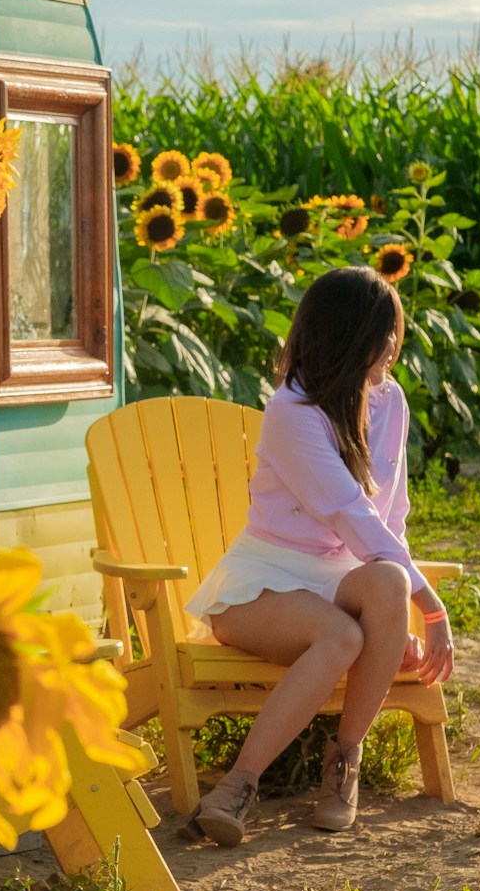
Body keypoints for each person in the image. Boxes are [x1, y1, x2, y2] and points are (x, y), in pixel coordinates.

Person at [182, 265, 456, 846]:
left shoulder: (390, 401)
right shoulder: (292, 411)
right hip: (263, 580)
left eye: (393, 335)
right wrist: (430, 606)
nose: (391, 347)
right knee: (343, 638)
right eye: (381, 334)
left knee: (383, 583)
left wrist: (398, 607)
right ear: (345, 335)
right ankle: (238, 785)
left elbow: (390, 515)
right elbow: (347, 512)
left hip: (338, 578)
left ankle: (343, 766)